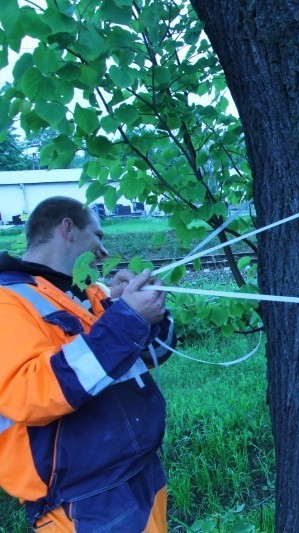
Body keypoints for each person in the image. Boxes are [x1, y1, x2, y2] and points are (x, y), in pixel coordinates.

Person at [0, 197, 176, 531]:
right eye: (98, 236)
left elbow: (159, 353)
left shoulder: (91, 293)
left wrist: (141, 312)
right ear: (67, 229)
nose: (104, 251)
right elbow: (31, 394)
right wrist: (126, 320)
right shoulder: (8, 301)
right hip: (82, 500)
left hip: (140, 472)